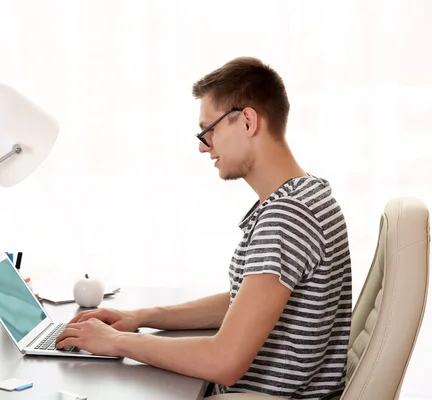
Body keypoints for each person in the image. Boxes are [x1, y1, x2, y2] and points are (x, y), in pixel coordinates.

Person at [56, 57, 352, 400]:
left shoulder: (286, 217)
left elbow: (224, 361)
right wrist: (140, 317)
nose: (202, 145)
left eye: (208, 130)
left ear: (248, 121)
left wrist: (118, 342)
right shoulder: (306, 194)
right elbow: (243, 303)